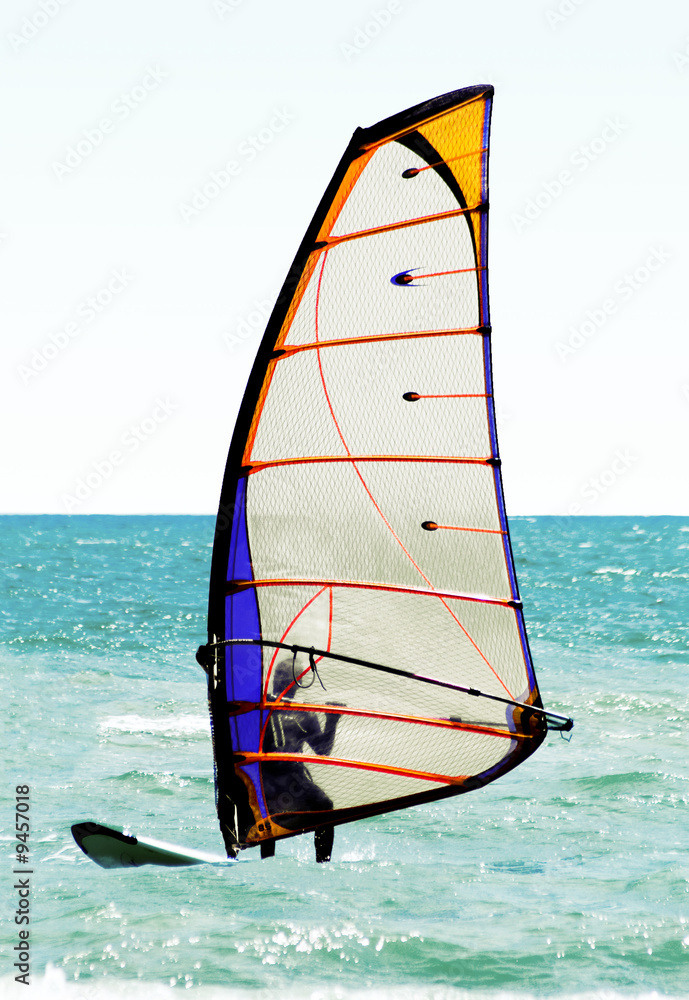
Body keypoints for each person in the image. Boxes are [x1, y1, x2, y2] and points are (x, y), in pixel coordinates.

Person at [261, 658, 340, 862]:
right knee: (267, 817)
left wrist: (332, 720)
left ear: (298, 683)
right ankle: (267, 862)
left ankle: (323, 861)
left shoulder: (304, 713)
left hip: (295, 780)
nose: (281, 681)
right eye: (279, 676)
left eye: (286, 678)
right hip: (265, 779)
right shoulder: (260, 706)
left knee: (325, 805)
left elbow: (322, 750)